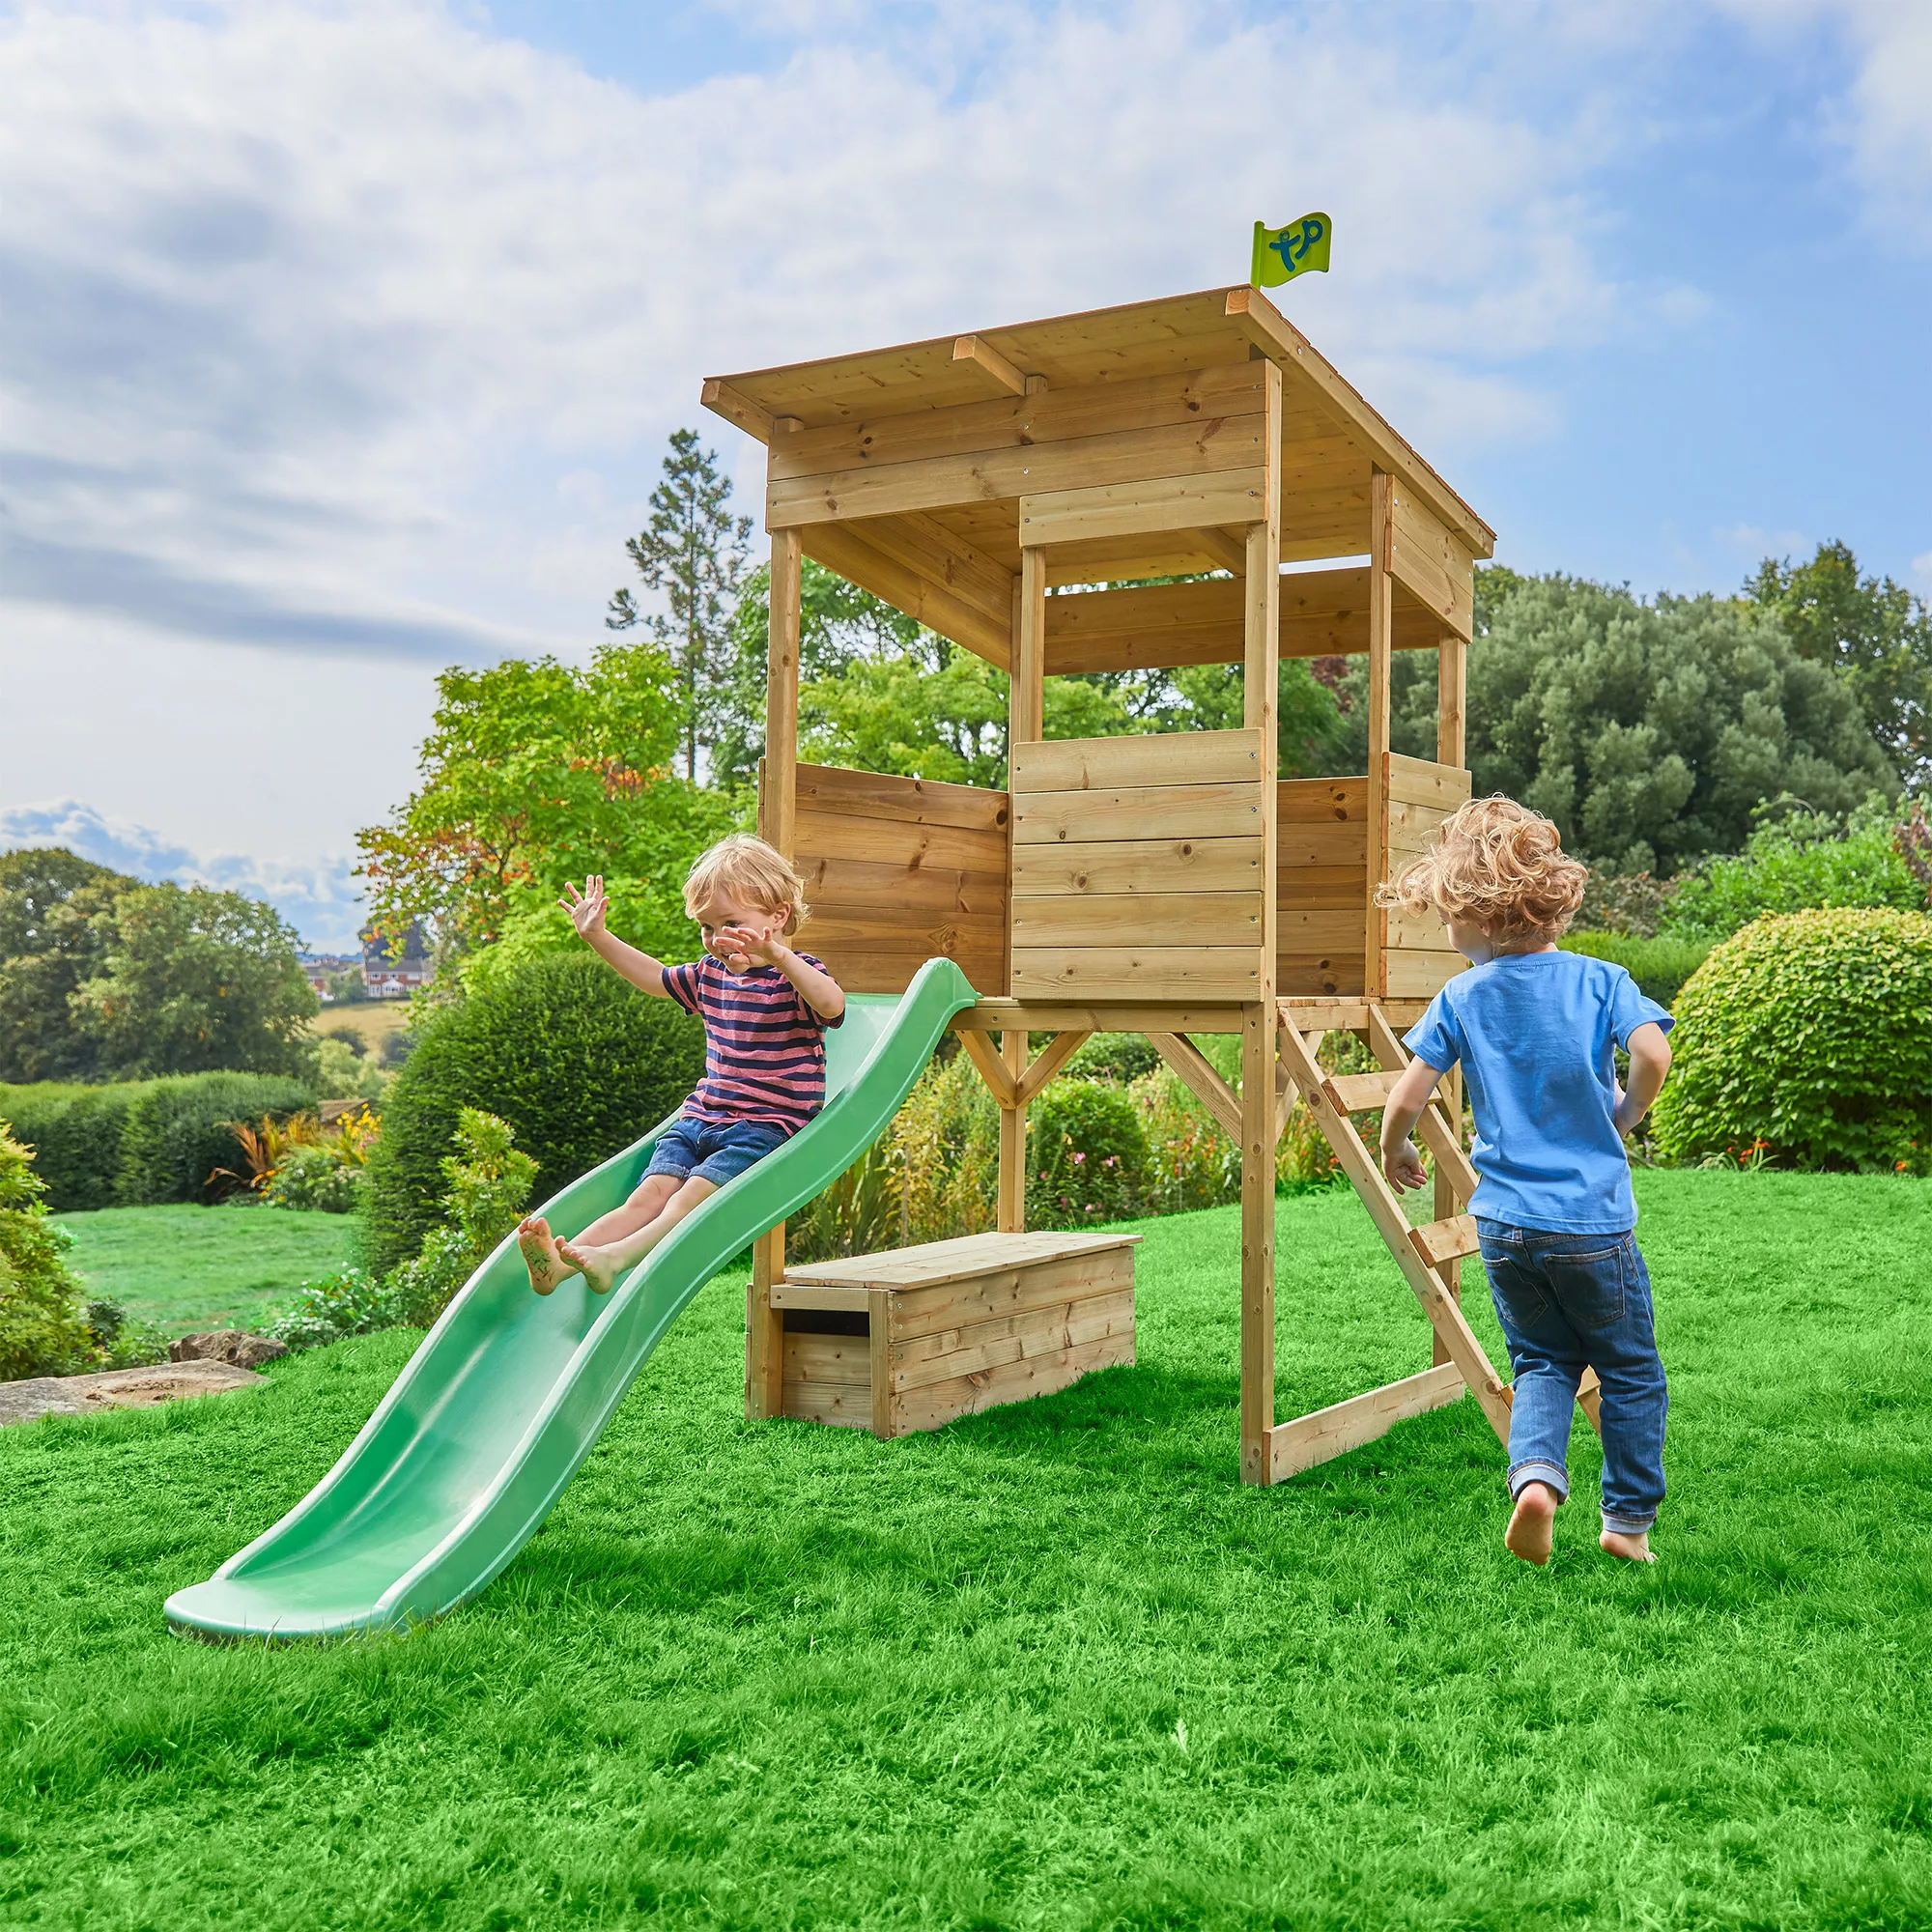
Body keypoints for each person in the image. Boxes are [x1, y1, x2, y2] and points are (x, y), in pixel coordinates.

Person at [1374, 796, 1674, 1567]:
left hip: (1505, 1226)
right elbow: (1653, 1055)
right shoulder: (1603, 981)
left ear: (1481, 920)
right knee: (1630, 1371)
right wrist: (1628, 1112)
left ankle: (1536, 1482)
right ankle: (1626, 1523)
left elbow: (1406, 1097)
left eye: (1449, 918)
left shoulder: (1461, 996)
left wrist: (1394, 1150)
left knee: (1541, 1363)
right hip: (1592, 1225)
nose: (1447, 933)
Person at [517, 835, 845, 1298]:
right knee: (646, 1197)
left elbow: (832, 1005)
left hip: (764, 1127)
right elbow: (654, 977)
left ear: (777, 916)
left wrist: (779, 955)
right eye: (707, 927)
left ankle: (615, 1259)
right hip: (700, 1118)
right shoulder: (709, 975)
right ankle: (557, 1267)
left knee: (687, 1198)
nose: (716, 937)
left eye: (731, 923)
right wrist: (596, 935)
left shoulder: (796, 975)